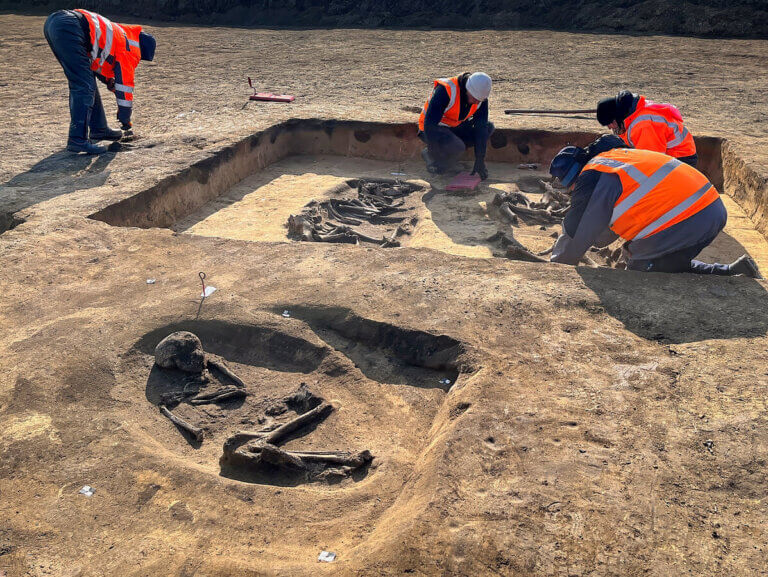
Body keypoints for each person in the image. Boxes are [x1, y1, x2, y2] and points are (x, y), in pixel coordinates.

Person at [547, 135, 761, 277]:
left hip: (690, 216)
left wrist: (559, 265)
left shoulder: (595, 173)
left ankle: (726, 273)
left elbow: (581, 228)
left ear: (575, 175)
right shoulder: (617, 160)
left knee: (642, 267)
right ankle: (736, 270)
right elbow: (603, 234)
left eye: (568, 185)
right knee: (660, 261)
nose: (572, 191)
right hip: (709, 207)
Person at [44, 9, 156, 154]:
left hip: (56, 23)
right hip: (70, 27)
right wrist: (125, 120)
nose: (138, 59)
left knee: (86, 80)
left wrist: (108, 80)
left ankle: (99, 129)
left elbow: (98, 60)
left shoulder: (122, 35)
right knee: (84, 86)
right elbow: (125, 89)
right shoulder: (131, 49)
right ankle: (77, 140)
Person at [417, 72, 494, 180]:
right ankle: (431, 155)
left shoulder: (480, 98)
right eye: (474, 98)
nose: (476, 102)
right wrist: (434, 153)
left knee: (488, 127)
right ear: (467, 89)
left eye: (479, 100)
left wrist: (480, 160)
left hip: (454, 127)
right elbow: (429, 125)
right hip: (430, 129)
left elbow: (481, 128)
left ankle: (450, 153)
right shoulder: (446, 90)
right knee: (457, 147)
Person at [596, 90, 698, 167]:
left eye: (610, 123)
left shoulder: (644, 125)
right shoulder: (634, 113)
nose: (610, 128)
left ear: (617, 117)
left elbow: (652, 162)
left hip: (681, 159)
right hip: (671, 156)